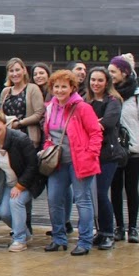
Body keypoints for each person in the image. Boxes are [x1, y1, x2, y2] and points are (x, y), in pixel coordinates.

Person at [42, 69, 102, 256]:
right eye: (56, 87)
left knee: (83, 201)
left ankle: (85, 241)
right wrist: (47, 149)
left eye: (63, 87)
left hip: (80, 162)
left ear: (72, 88)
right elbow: (49, 135)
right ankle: (59, 238)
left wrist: (90, 155)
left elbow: (96, 133)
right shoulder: (50, 107)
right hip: (58, 163)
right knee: (54, 199)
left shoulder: (82, 107)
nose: (59, 90)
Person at [109, 55, 139, 244]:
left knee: (131, 188)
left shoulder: (138, 96)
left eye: (113, 71)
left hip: (134, 150)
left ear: (125, 72)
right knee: (115, 188)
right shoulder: (110, 95)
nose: (110, 75)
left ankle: (133, 228)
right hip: (114, 149)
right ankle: (119, 227)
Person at [0, 109, 41, 253]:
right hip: (8, 184)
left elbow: (32, 165)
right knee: (4, 212)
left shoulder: (20, 139)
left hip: (27, 182)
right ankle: (26, 234)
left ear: (5, 124)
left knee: (16, 202)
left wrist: (20, 186)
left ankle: (19, 239)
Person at [84, 67, 126, 249]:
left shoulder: (113, 102)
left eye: (100, 80)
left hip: (108, 155)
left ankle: (108, 232)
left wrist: (88, 124)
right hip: (88, 153)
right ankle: (100, 231)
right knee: (92, 196)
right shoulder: (86, 100)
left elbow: (108, 122)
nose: (96, 83)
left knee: (101, 193)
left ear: (107, 82)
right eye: (93, 80)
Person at [0, 57, 45, 147]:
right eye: (11, 71)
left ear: (24, 71)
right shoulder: (5, 91)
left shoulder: (33, 88)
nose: (15, 74)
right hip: (8, 139)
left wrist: (19, 123)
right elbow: (1, 115)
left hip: (28, 139)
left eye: (17, 70)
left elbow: (39, 114)